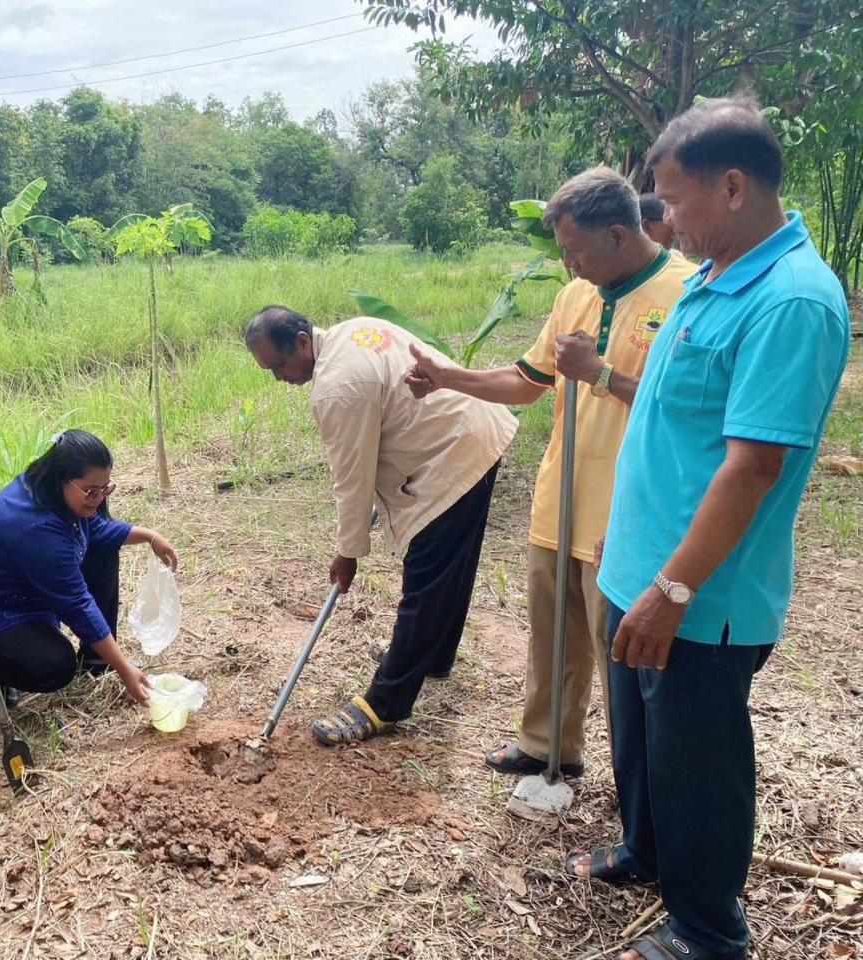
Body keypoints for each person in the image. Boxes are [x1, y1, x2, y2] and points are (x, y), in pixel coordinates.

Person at [572, 98, 850, 960]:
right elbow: (669, 423)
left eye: (672, 199)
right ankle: (646, 852)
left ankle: (707, 927)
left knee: (700, 763)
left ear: (732, 188)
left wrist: (673, 588)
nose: (661, 219)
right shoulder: (713, 275)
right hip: (641, 571)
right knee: (644, 740)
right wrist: (632, 559)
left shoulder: (791, 301)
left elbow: (752, 467)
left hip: (699, 594)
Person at [408, 167, 695, 780]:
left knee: (618, 648)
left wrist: (599, 373)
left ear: (618, 235)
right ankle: (547, 743)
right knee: (551, 630)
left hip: (628, 510)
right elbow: (528, 382)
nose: (567, 265)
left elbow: (686, 411)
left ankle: (637, 781)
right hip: (560, 497)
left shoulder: (686, 294)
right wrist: (447, 377)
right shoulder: (576, 296)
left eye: (574, 250)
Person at [246, 307, 517, 745]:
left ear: (300, 341)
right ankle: (435, 656)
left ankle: (385, 703)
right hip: (473, 431)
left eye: (278, 365)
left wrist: (348, 552)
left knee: (427, 580)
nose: (278, 377)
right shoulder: (352, 328)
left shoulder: (336, 388)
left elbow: (352, 481)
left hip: (451, 453)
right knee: (451, 567)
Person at [0, 430, 177, 707]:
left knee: (103, 549)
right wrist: (125, 670)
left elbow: (97, 530)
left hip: (24, 592)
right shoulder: (34, 526)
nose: (98, 498)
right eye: (90, 490)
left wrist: (150, 537)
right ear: (61, 477)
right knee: (54, 667)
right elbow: (76, 604)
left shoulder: (54, 493)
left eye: (105, 489)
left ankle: (96, 658)